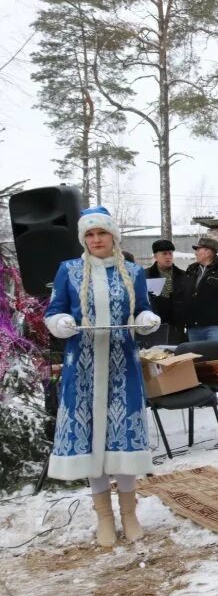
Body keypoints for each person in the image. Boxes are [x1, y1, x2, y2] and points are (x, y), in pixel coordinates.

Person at [43, 206, 162, 547]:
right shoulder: (69, 270)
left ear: (114, 237)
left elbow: (143, 307)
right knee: (92, 439)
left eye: (102, 233)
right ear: (84, 239)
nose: (96, 240)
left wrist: (146, 319)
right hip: (81, 367)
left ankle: (129, 514)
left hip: (122, 365)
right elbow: (54, 310)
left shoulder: (134, 272)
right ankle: (105, 518)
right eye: (90, 235)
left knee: (121, 437)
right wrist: (60, 322)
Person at [176, 235, 218, 408]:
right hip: (193, 326)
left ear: (209, 251)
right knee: (198, 363)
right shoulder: (191, 270)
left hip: (215, 325)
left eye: (199, 249)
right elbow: (183, 294)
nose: (196, 252)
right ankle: (206, 398)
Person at [146, 238, 186, 343]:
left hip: (176, 324)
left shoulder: (182, 275)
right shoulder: (146, 275)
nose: (168, 257)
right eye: (164, 254)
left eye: (170, 253)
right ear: (155, 256)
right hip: (154, 322)